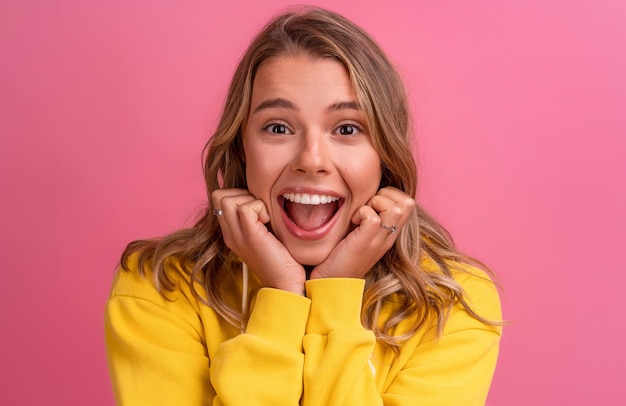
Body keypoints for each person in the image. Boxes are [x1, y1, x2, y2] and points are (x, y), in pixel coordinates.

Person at [104, 6, 502, 405]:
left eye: (347, 129)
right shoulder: (160, 288)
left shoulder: (453, 303)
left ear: (385, 155)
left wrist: (334, 294)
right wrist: (281, 295)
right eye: (278, 127)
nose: (311, 160)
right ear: (242, 148)